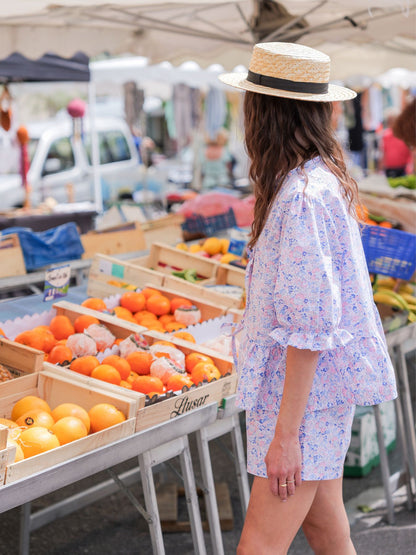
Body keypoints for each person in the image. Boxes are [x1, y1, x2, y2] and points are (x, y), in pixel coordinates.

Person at [219, 42, 397, 554]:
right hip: (312, 397)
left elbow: (312, 326)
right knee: (326, 533)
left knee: (258, 547)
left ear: (264, 112)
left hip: (301, 401)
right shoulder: (314, 181)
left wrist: (285, 436)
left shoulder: (300, 195)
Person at [381, 107, 413, 177]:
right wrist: (381, 168)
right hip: (389, 168)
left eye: (393, 120)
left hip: (403, 169)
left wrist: (411, 166)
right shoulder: (385, 135)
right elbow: (383, 152)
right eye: (389, 121)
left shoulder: (405, 134)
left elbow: (411, 152)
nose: (391, 123)